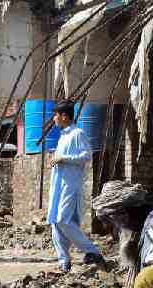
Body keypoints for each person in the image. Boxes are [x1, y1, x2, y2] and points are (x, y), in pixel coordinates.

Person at [47, 100, 106, 273]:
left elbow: (86, 155)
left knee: (62, 220)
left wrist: (64, 158)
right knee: (55, 222)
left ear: (64, 116)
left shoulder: (78, 133)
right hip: (58, 184)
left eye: (56, 115)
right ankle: (63, 261)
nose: (54, 119)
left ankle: (92, 251)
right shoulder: (63, 136)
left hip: (70, 184)